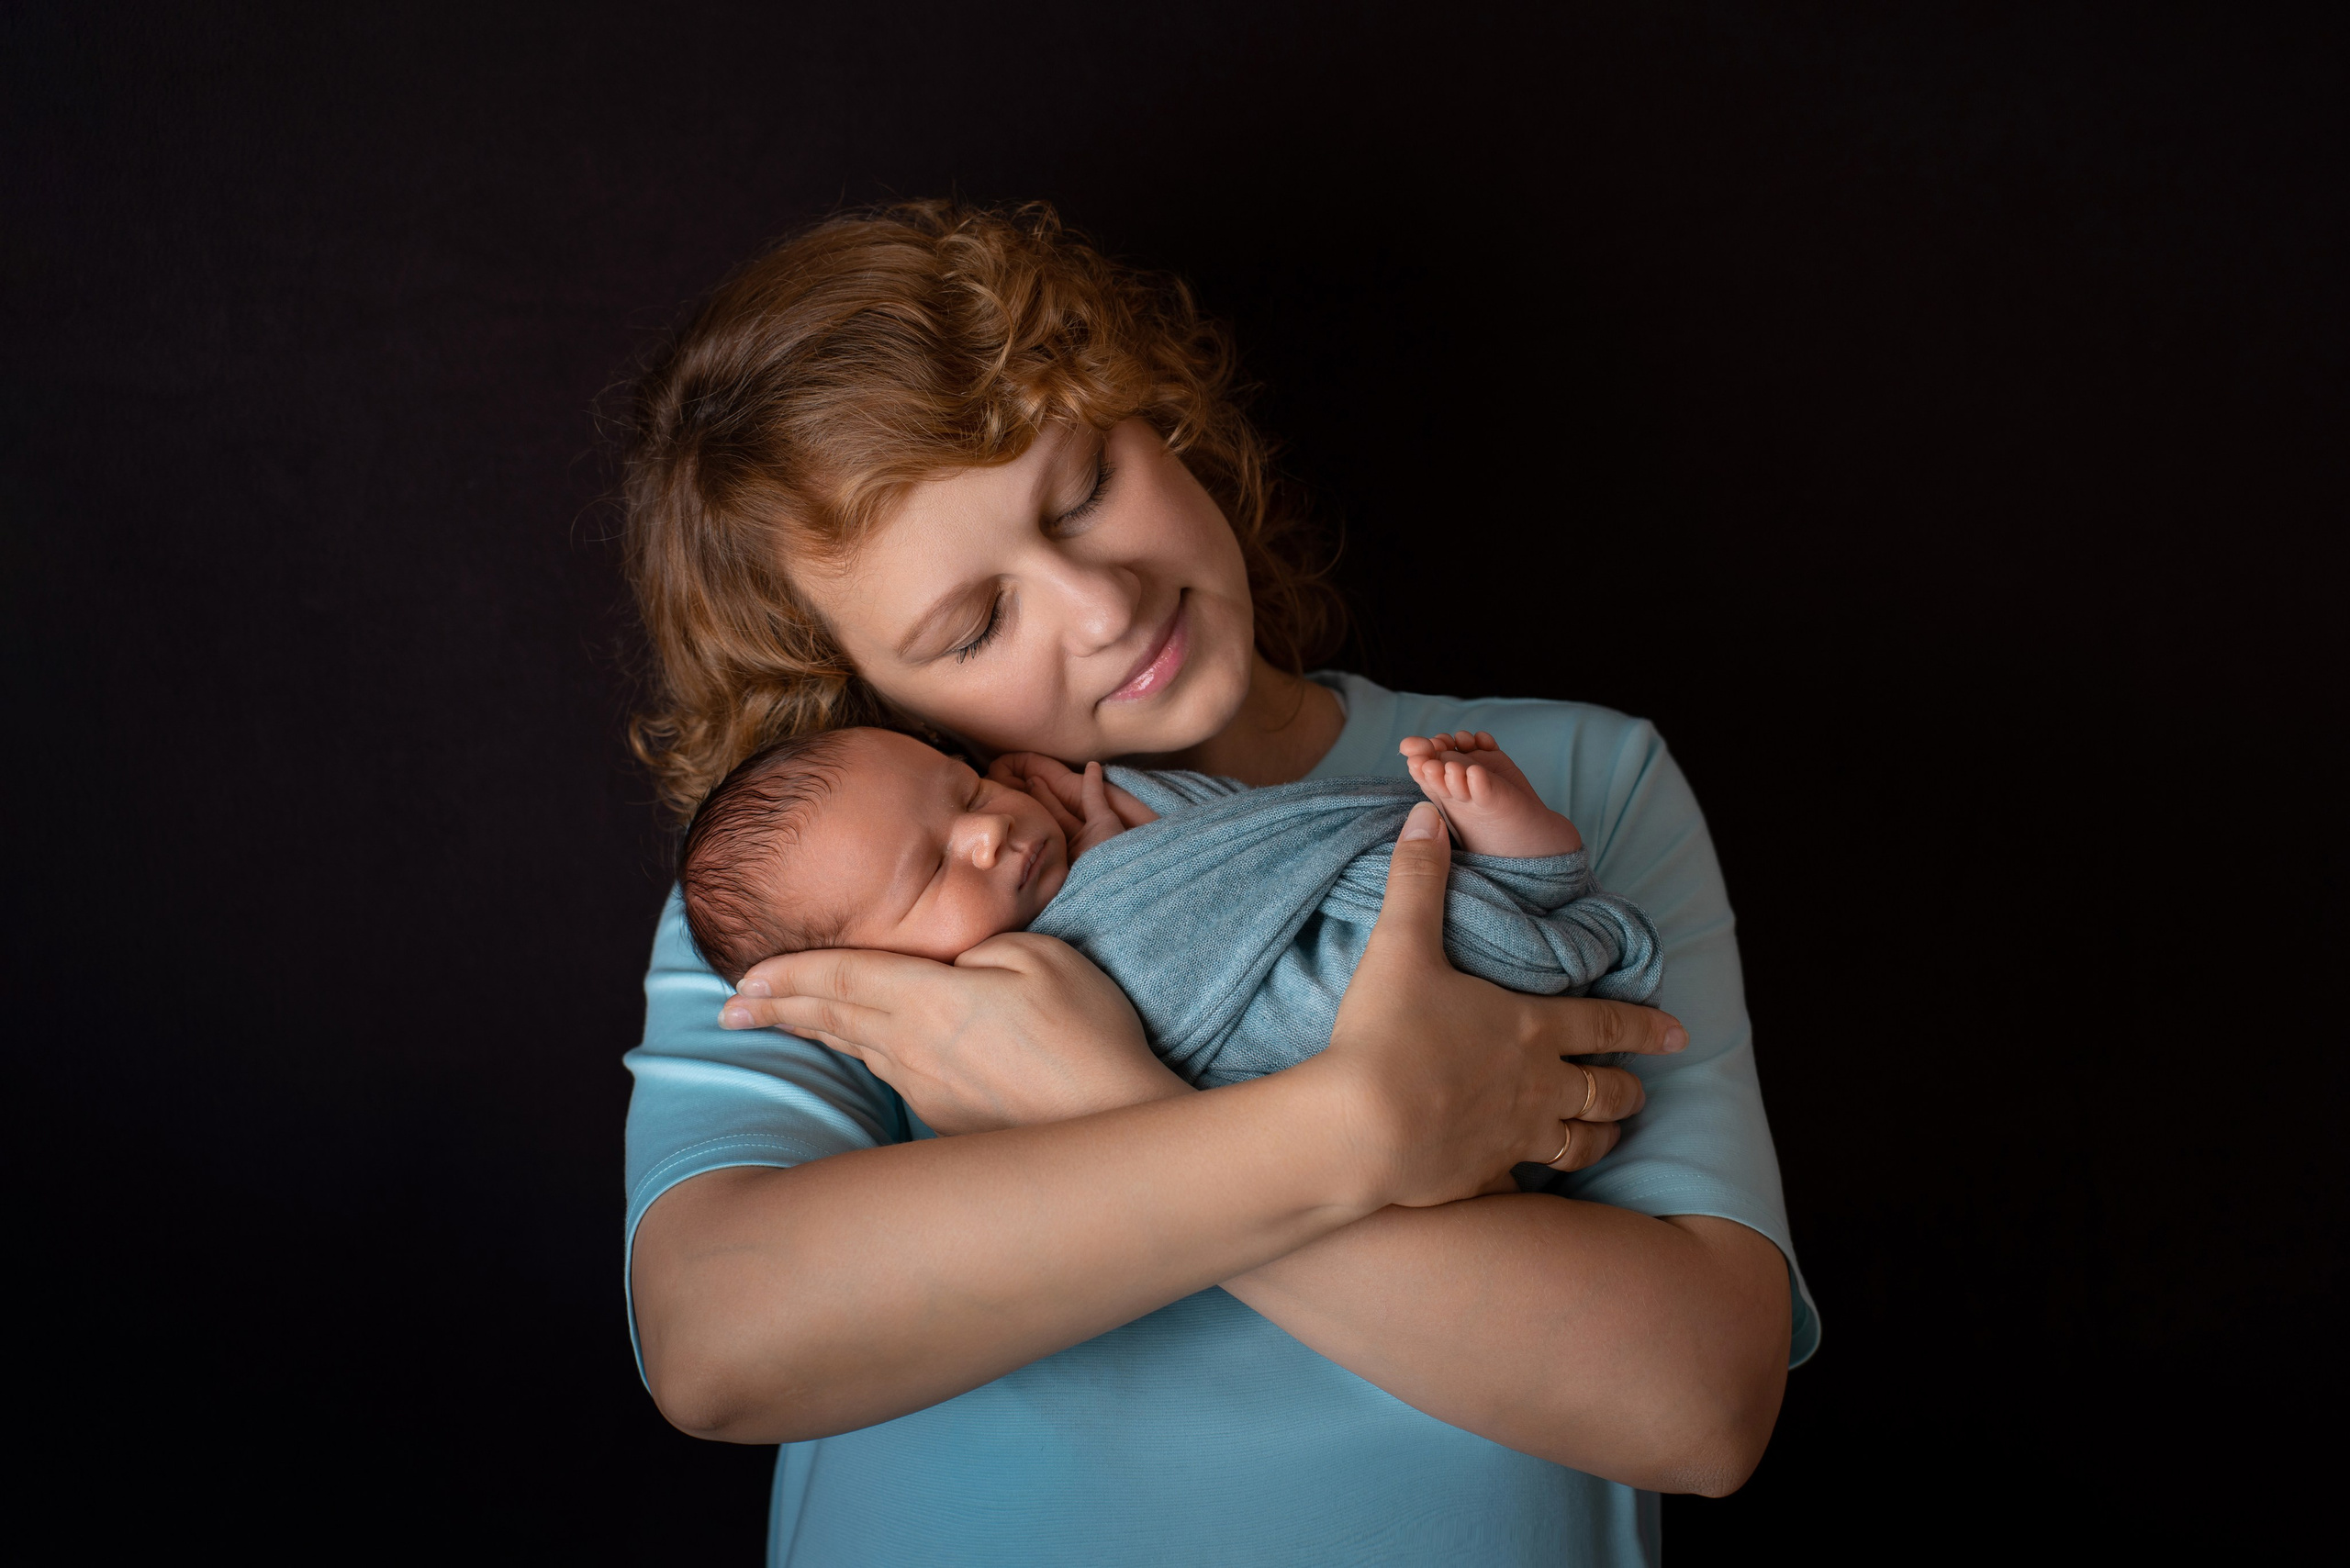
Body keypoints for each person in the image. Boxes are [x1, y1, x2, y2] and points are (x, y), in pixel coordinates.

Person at [621, 200, 1818, 1567]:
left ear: (1158, 414)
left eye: (1083, 491)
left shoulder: (1569, 776)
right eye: (976, 623)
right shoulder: (843, 900)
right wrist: (1360, 1125)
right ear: (861, 700)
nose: (1104, 604)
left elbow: (1699, 1406)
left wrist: (1087, 1096)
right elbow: (720, 1344)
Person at [674, 724, 1665, 1097]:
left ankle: (1521, 858)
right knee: (1435, 956)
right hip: (1344, 1022)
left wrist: (1132, 848)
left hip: (1369, 882)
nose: (988, 833)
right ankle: (1521, 907)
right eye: (932, 873)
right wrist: (1124, 881)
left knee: (1449, 857)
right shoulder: (975, 1029)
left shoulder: (1104, 819)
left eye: (966, 790)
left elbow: (1246, 846)